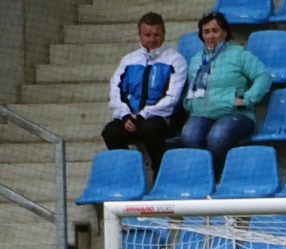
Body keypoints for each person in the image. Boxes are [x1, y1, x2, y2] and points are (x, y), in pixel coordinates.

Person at [179, 12, 271, 176]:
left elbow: (263, 76)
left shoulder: (239, 54)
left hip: (235, 113)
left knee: (218, 136)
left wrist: (247, 99)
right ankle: (202, 179)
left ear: (225, 32)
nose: (210, 36)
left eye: (215, 31)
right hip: (202, 113)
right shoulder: (195, 60)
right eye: (206, 32)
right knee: (189, 135)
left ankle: (217, 179)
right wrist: (189, 103)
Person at [103, 12, 187, 173]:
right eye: (147, 34)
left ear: (164, 34)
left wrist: (143, 115)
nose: (152, 39)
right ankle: (129, 175)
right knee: (110, 132)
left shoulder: (176, 60)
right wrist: (125, 115)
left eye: (156, 34)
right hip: (131, 118)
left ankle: (160, 176)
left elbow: (172, 98)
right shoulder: (128, 60)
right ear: (139, 35)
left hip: (161, 118)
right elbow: (116, 90)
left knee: (151, 128)